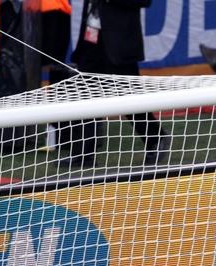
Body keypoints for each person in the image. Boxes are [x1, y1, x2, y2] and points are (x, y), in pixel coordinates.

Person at [65, 0, 168, 167]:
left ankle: (156, 139)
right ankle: (83, 153)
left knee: (129, 97)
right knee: (84, 93)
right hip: (92, 38)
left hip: (119, 41)